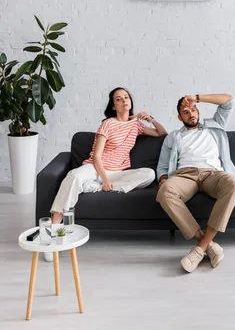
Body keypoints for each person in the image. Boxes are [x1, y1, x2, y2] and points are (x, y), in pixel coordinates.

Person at [45, 87, 166, 261]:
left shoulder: (136, 125)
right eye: (118, 99)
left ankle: (93, 188)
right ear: (113, 106)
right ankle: (55, 226)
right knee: (74, 176)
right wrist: (105, 179)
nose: (124, 100)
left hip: (118, 172)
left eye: (126, 97)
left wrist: (150, 119)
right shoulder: (107, 124)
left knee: (148, 174)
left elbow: (162, 133)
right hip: (95, 168)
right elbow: (97, 156)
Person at [156, 93, 235, 273]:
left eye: (193, 109)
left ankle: (199, 249)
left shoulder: (215, 126)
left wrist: (197, 97)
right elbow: (163, 165)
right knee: (164, 192)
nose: (191, 114)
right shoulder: (173, 137)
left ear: (198, 111)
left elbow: (228, 101)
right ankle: (208, 244)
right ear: (180, 117)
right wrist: (163, 178)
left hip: (213, 173)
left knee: (233, 184)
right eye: (185, 112)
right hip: (184, 175)